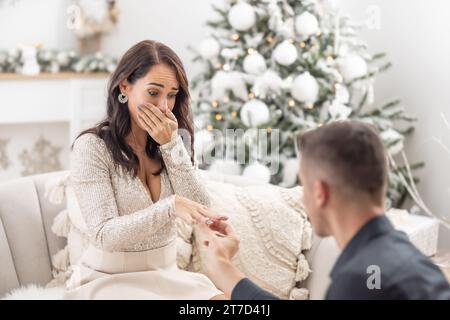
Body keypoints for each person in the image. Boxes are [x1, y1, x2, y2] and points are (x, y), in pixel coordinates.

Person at [199, 121, 450, 300]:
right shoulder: (405, 256)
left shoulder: (359, 277)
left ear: (320, 193)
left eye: (304, 185)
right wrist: (224, 269)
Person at [64, 40, 228, 300]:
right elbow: (104, 235)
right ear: (125, 86)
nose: (164, 106)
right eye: (154, 93)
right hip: (110, 280)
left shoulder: (173, 141)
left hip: (166, 275)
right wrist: (170, 206)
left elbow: (199, 206)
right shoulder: (91, 147)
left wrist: (171, 145)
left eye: (172, 95)